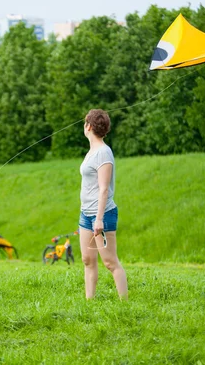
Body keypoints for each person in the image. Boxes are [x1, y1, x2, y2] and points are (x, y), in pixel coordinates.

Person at [78, 109, 128, 300]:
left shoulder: (103, 153)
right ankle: (89, 302)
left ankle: (125, 303)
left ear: (89, 126)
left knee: (109, 262)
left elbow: (104, 189)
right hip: (85, 214)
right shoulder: (92, 151)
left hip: (103, 215)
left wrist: (99, 219)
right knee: (87, 260)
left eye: (84, 123)